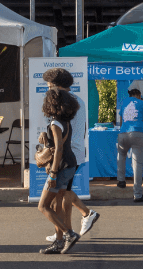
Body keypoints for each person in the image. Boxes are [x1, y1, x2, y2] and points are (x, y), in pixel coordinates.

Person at [38, 87, 99, 254]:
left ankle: (68, 234)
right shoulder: (64, 121)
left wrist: (53, 173)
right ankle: (58, 242)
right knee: (56, 204)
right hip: (70, 164)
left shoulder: (55, 123)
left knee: (43, 206)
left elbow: (58, 149)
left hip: (62, 167)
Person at [116, 87, 143, 202]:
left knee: (121, 154)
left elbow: (121, 122)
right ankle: (137, 194)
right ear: (138, 94)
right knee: (137, 165)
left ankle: (121, 180)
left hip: (123, 133)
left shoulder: (124, 103)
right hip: (138, 133)